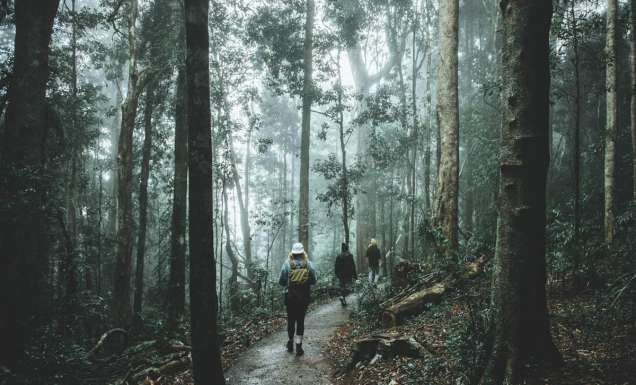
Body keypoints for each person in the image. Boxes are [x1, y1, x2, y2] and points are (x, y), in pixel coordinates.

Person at [279, 242, 317, 356]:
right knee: (300, 321)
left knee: (291, 320)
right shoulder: (308, 264)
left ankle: (290, 343)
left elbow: (281, 281)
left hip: (290, 297)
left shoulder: (287, 264)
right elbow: (314, 280)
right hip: (304, 297)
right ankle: (299, 346)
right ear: (302, 253)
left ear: (292, 253)